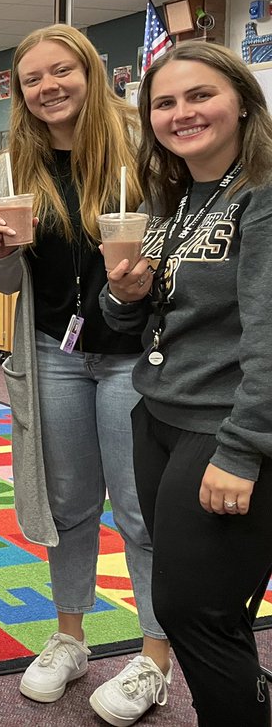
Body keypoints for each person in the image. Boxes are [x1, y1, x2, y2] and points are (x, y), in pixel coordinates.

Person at [0, 23, 172, 725]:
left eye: (61, 71)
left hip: (131, 357)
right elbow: (3, 281)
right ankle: (70, 638)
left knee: (138, 509)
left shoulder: (142, 150)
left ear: (90, 72)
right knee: (68, 507)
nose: (48, 87)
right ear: (20, 93)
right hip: (54, 356)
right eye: (32, 79)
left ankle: (155, 657)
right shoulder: (12, 168)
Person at [102, 41, 272, 725]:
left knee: (191, 613)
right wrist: (123, 296)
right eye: (165, 103)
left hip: (223, 425)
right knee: (206, 605)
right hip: (161, 417)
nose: (182, 113)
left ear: (241, 101)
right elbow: (147, 316)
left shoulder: (262, 194)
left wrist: (243, 447)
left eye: (200, 95)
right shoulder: (178, 197)